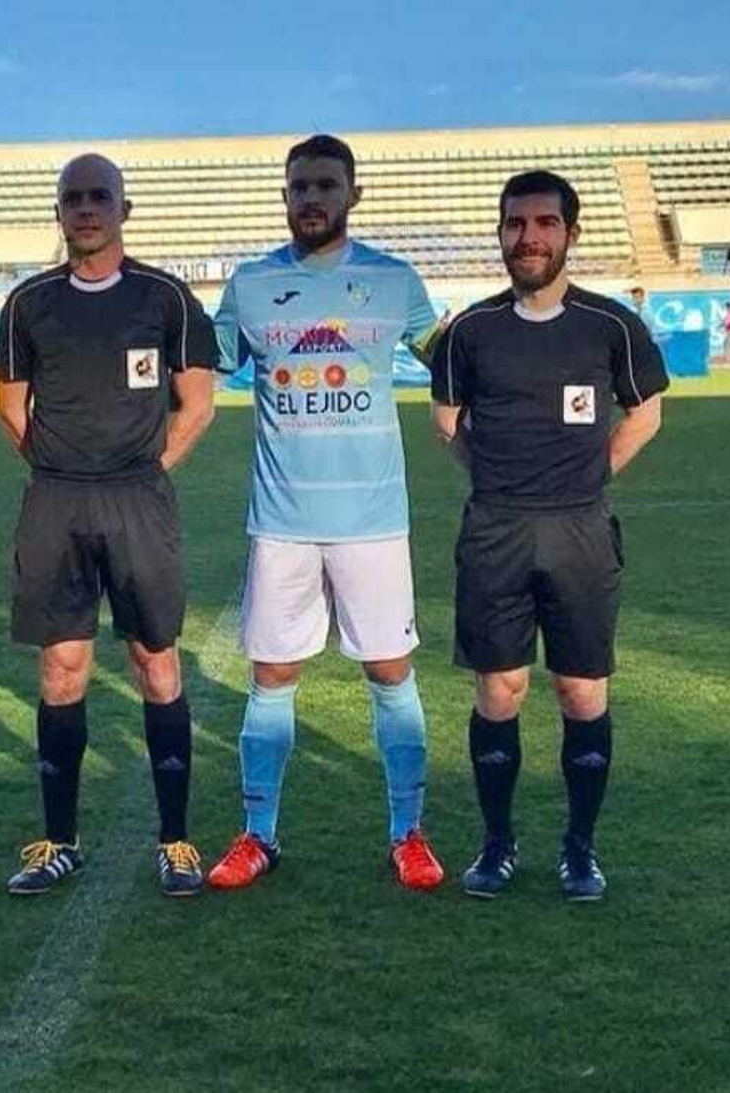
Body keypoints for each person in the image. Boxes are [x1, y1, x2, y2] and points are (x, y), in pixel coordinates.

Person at [206, 134, 446, 892]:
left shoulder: (394, 281)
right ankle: (258, 834)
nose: (312, 199)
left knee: (390, 670)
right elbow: (200, 366)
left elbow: (455, 359)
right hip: (282, 520)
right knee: (272, 674)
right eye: (301, 187)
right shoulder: (250, 285)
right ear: (285, 197)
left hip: (373, 519)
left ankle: (409, 833)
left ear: (353, 195)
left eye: (326, 186)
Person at [428, 170, 668, 902]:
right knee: (499, 689)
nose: (528, 237)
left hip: (581, 530)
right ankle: (497, 843)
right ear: (500, 233)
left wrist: (587, 478)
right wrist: (501, 480)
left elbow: (646, 414)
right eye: (515, 224)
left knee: (580, 690)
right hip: (495, 529)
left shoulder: (610, 326)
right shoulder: (470, 330)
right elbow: (447, 423)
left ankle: (579, 849)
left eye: (544, 223)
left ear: (570, 232)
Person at [0, 153, 218, 897]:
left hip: (136, 501)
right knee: (61, 667)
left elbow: (196, 405)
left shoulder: (166, 298)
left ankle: (176, 840)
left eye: (99, 197)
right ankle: (58, 841)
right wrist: (63, 467)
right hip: (56, 502)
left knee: (155, 660)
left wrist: (143, 469)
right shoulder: (28, 303)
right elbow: (10, 408)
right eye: (73, 198)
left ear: (124, 208)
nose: (86, 209)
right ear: (58, 212)